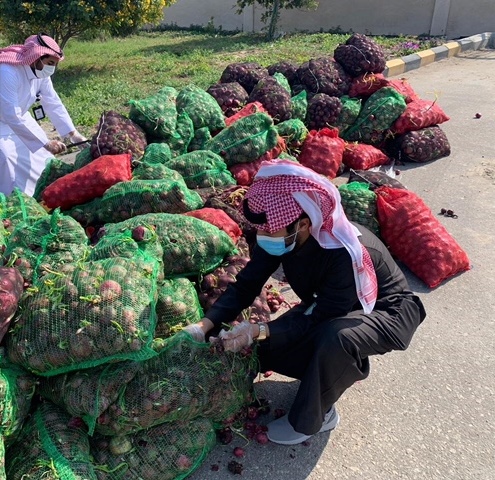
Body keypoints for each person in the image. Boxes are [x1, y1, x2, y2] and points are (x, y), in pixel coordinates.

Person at [184, 159, 426, 446]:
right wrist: (204, 325)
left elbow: (324, 317)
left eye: (269, 231)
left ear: (303, 224)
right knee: (265, 348)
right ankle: (322, 373)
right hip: (330, 304)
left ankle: (317, 416)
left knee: (336, 338)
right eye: (260, 230)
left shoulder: (344, 253)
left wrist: (259, 329)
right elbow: (247, 284)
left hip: (387, 312)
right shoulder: (283, 235)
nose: (263, 237)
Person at [0, 33, 87, 196]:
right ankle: (14, 199)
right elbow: (11, 115)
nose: (51, 68)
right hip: (4, 123)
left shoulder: (41, 74)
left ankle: (43, 195)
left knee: (44, 157)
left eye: (54, 64)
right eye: (50, 63)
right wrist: (45, 142)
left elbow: (53, 102)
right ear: (36, 58)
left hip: (21, 118)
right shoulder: (7, 72)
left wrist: (73, 134)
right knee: (6, 158)